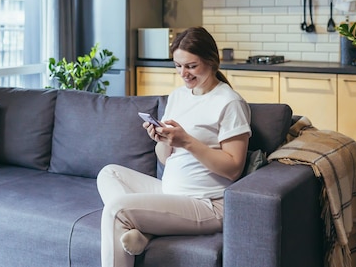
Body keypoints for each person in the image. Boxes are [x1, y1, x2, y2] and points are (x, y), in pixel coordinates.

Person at [96, 26, 252, 267]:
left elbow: (233, 168)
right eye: (178, 66)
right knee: (109, 173)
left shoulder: (229, 103)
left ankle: (142, 227)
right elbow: (166, 160)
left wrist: (187, 141)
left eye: (191, 66)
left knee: (117, 210)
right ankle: (145, 229)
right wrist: (161, 140)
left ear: (212, 62)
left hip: (206, 203)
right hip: (172, 193)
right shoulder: (179, 96)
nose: (184, 74)